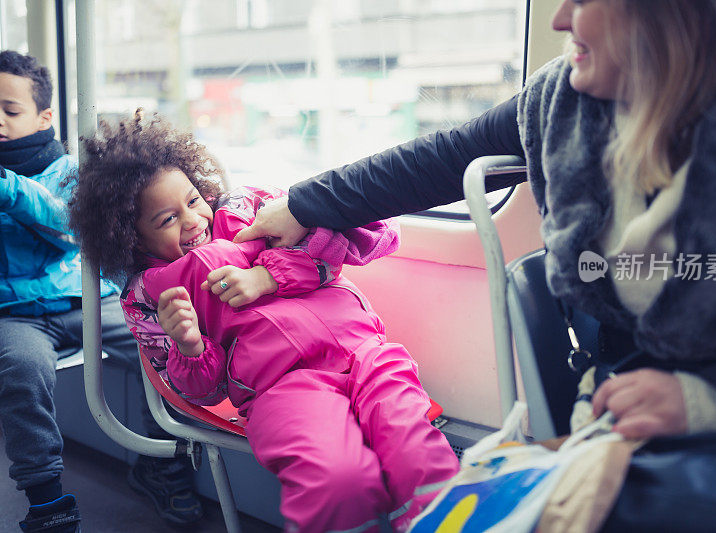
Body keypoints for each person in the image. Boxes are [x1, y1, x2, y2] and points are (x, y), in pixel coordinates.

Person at [233, 0, 716, 441]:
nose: (558, 19)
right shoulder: (562, 100)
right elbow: (436, 160)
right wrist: (305, 204)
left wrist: (711, 400)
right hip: (624, 382)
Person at [67, 113, 459, 533]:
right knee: (336, 479)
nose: (193, 220)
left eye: (193, 200)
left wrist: (269, 275)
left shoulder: (249, 210)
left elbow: (366, 236)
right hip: (280, 387)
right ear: (130, 236)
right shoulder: (147, 297)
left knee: (414, 450)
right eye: (166, 219)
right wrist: (190, 347)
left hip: (367, 352)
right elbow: (199, 392)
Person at [0, 51, 203, 532]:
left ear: (44, 117)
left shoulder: (69, 170)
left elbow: (71, 229)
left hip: (87, 299)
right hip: (14, 313)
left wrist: (9, 189)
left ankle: (162, 462)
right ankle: (46, 497)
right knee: (22, 371)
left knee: (163, 343)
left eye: (9, 110)